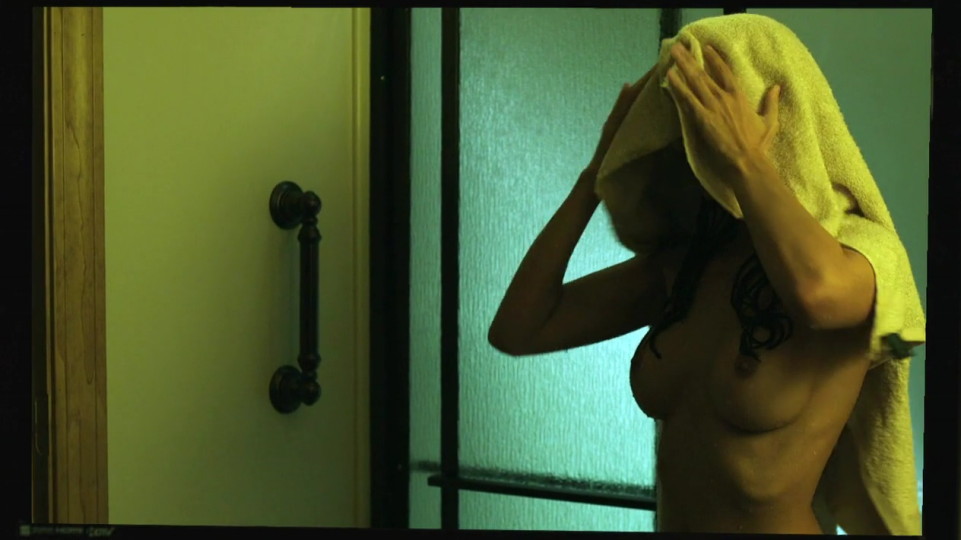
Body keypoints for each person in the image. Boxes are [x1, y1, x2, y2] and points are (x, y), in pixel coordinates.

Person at [487, 61, 885, 534]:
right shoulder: (689, 266)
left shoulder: (859, 254)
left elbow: (816, 297)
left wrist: (746, 162)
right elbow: (519, 329)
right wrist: (597, 173)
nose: (697, 146)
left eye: (716, 123)